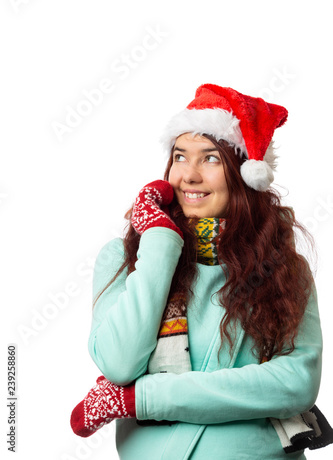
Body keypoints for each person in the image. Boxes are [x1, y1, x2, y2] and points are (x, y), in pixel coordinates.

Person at [70, 84, 331, 459]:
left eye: (210, 159)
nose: (188, 176)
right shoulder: (124, 257)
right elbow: (119, 363)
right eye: (179, 156)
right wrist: (159, 241)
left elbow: (295, 384)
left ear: (244, 173)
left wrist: (140, 399)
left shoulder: (283, 268)